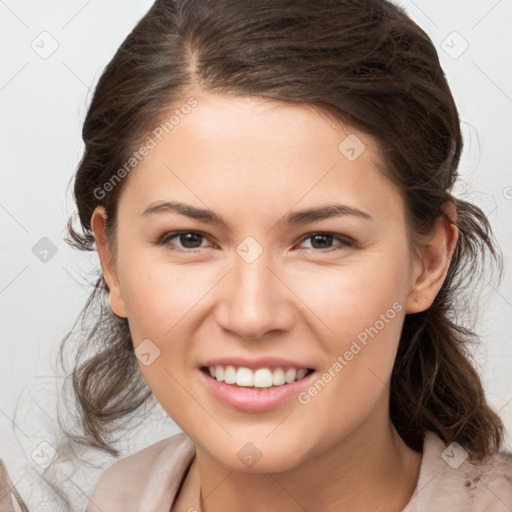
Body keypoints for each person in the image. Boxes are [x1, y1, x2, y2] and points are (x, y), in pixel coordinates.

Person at [59, 0, 512, 510]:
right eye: (189, 238)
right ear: (112, 260)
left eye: (322, 240)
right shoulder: (119, 497)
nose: (252, 315)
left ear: (427, 261)